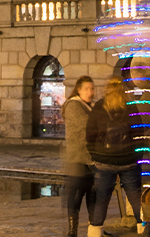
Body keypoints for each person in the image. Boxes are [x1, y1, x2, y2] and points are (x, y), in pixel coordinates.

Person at [87, 76, 145, 237]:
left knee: (102, 198)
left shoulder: (99, 107)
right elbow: (139, 134)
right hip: (129, 161)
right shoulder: (131, 108)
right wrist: (136, 155)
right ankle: (143, 228)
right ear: (123, 90)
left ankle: (95, 231)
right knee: (135, 195)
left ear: (107, 89)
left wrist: (95, 155)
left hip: (104, 161)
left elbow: (89, 135)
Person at [61, 76, 97, 237]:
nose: (91, 92)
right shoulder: (73, 105)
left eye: (92, 88)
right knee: (75, 196)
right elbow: (86, 125)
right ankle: (72, 231)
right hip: (77, 158)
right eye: (87, 89)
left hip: (93, 158)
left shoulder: (91, 106)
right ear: (79, 90)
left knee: (93, 196)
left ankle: (94, 229)